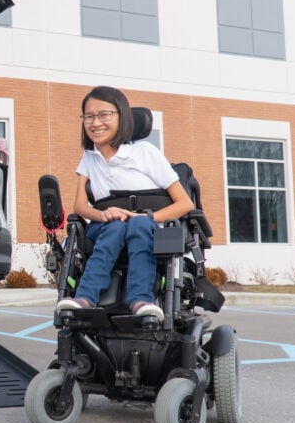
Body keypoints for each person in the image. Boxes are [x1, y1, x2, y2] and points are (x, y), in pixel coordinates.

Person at [55, 86, 193, 321]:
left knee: (137, 227)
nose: (95, 123)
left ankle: (140, 300)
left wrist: (146, 218)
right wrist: (103, 214)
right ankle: (84, 297)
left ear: (122, 116)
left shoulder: (144, 152)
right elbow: (80, 206)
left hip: (147, 223)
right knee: (116, 226)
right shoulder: (89, 158)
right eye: (89, 116)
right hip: (105, 225)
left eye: (104, 115)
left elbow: (184, 203)